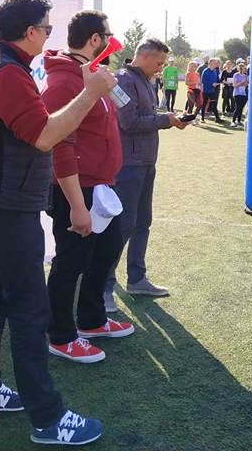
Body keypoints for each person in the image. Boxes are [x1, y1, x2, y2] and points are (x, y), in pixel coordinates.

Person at [0, 0, 117, 446]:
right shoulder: (8, 74)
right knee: (30, 315)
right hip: (8, 215)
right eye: (48, 29)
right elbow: (45, 135)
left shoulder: (5, 67)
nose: (51, 37)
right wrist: (90, 93)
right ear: (30, 31)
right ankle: (47, 418)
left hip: (4, 211)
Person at [40, 10, 135, 366]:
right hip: (77, 189)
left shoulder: (91, 74)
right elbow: (59, 145)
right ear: (95, 39)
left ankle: (92, 319)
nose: (112, 42)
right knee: (71, 261)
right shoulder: (65, 82)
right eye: (107, 36)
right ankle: (60, 335)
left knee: (105, 251)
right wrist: (77, 205)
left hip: (100, 186)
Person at [107, 39, 186, 303]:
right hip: (129, 165)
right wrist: (166, 120)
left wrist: (169, 118)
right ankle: (104, 286)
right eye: (159, 63)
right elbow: (128, 122)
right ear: (143, 57)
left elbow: (143, 117)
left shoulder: (143, 79)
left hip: (145, 162)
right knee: (123, 225)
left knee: (142, 223)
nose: (161, 68)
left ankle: (137, 279)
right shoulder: (123, 80)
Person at [200, 57, 223, 123]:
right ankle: (202, 118)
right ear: (210, 63)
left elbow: (215, 80)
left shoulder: (215, 71)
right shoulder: (205, 71)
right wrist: (211, 84)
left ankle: (217, 118)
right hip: (206, 91)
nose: (215, 64)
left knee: (214, 104)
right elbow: (203, 81)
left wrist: (216, 83)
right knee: (204, 104)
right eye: (214, 63)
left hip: (212, 91)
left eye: (216, 63)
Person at [231, 59, 249, 127]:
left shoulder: (245, 76)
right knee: (238, 107)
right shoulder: (236, 75)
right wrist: (241, 82)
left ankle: (239, 121)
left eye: (243, 67)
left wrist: (245, 83)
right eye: (241, 67)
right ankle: (233, 121)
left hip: (243, 93)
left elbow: (246, 84)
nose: (243, 69)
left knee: (241, 107)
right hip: (237, 93)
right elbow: (234, 85)